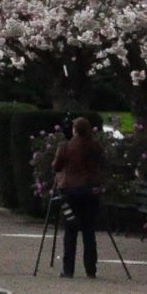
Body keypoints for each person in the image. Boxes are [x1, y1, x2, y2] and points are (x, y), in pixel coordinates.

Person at [52, 115, 105, 278]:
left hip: (70, 193)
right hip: (90, 192)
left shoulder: (65, 147)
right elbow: (102, 163)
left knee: (70, 230)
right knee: (89, 231)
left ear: (74, 130)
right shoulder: (95, 147)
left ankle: (68, 269)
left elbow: (56, 166)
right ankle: (91, 268)